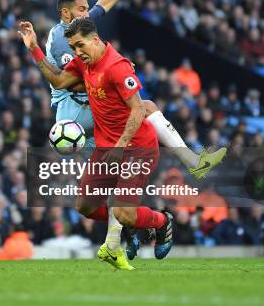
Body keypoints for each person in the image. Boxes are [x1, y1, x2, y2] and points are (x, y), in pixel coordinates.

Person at [20, 18, 176, 270]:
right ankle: (131, 226)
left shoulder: (117, 66)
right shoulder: (84, 62)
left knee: (124, 213)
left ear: (95, 39)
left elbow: (138, 109)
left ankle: (161, 222)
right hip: (107, 149)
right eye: (73, 47)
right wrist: (34, 48)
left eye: (80, 45)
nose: (77, 52)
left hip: (136, 147)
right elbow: (58, 81)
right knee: (86, 206)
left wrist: (120, 145)